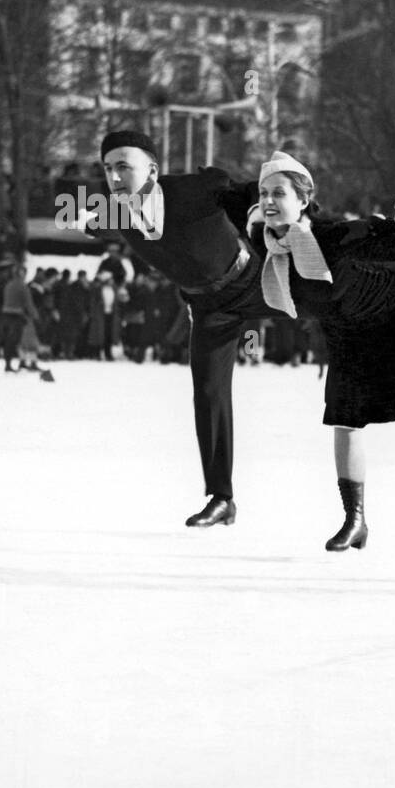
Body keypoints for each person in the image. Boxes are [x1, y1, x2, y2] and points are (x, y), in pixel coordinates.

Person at [249, 151, 395, 551]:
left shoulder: (331, 236)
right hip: (347, 329)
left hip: (394, 296)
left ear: (303, 200)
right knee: (345, 419)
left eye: (279, 193)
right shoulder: (263, 236)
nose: (269, 201)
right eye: (264, 193)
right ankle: (354, 519)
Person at [97, 130, 286, 527]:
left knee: (344, 297)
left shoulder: (190, 190)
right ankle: (222, 498)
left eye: (124, 167)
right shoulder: (113, 211)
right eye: (108, 168)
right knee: (208, 393)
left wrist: (284, 193)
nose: (115, 177)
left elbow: (246, 190)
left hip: (256, 282)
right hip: (207, 306)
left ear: (152, 168)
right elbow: (82, 212)